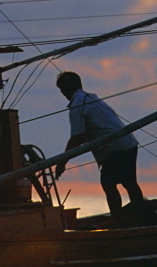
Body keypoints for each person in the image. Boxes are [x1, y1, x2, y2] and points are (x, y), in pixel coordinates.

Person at [54, 71, 144, 216]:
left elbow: (77, 137)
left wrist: (62, 162)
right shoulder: (91, 97)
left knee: (109, 184)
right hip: (128, 143)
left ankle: (119, 217)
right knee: (129, 182)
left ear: (65, 90)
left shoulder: (78, 105)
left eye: (62, 90)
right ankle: (139, 214)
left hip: (114, 147)